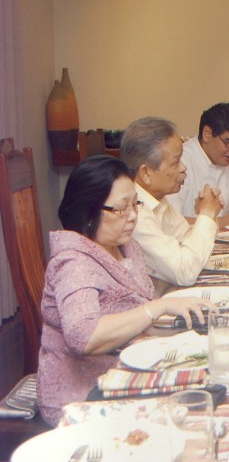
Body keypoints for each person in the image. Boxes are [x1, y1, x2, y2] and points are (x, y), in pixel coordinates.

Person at [37, 155, 212, 424]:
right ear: (88, 211)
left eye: (135, 204)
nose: (132, 216)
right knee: (198, 414)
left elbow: (137, 319)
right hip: (84, 395)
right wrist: (159, 306)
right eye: (121, 209)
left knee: (211, 382)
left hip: (123, 374)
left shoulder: (125, 247)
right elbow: (85, 337)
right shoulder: (74, 263)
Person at [121, 117, 223, 295]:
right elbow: (185, 271)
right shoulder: (134, 214)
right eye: (175, 162)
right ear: (146, 173)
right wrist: (206, 215)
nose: (183, 168)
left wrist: (207, 216)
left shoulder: (158, 201)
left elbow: (190, 243)